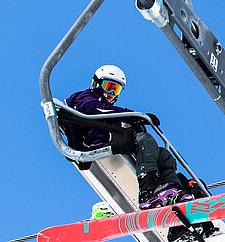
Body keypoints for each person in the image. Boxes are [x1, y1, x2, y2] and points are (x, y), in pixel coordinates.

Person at [65, 65, 194, 210]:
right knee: (145, 140)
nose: (112, 93)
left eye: (117, 89)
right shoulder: (85, 98)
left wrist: (135, 121)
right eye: (109, 86)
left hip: (109, 136)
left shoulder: (108, 111)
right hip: (94, 141)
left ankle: (171, 189)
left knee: (163, 154)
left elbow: (109, 114)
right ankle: (147, 191)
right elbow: (96, 110)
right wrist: (134, 116)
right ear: (96, 83)